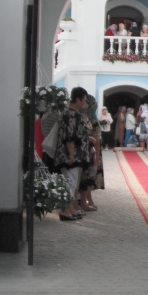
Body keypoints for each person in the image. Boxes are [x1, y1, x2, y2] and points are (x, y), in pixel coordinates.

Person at [54, 87, 89, 221]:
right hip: (71, 156)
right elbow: (70, 136)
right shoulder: (72, 115)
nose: (85, 103)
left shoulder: (70, 114)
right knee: (70, 182)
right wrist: (71, 155)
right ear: (77, 99)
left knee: (71, 182)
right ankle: (64, 210)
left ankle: (69, 208)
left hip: (72, 155)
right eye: (84, 100)